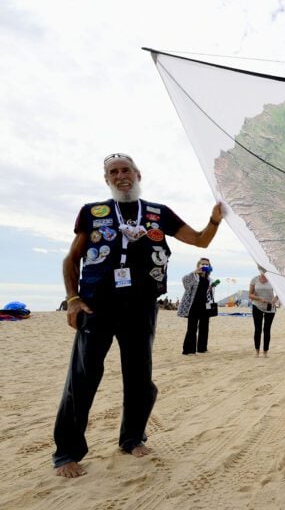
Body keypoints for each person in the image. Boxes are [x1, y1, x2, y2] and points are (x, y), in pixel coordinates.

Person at [54, 153, 223, 478]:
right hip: (97, 306)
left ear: (137, 174)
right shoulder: (93, 212)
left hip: (141, 306)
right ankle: (67, 452)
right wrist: (73, 299)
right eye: (113, 172)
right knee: (83, 378)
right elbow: (71, 259)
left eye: (126, 170)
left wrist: (214, 220)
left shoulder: (159, 214)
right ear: (107, 179)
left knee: (139, 378)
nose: (121, 176)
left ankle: (132, 438)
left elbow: (199, 239)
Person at [178, 258, 217, 354]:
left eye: (207, 264)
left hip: (205, 306)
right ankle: (188, 350)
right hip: (194, 306)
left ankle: (202, 348)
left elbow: (209, 293)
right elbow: (184, 281)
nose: (205, 265)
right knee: (192, 328)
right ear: (198, 265)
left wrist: (212, 287)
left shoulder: (209, 279)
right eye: (202, 264)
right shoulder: (194, 276)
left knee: (204, 328)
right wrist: (194, 272)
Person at [249, 270, 278, 357]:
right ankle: (257, 351)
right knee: (258, 329)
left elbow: (280, 293)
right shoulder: (254, 279)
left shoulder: (273, 279)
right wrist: (259, 298)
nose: (262, 270)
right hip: (257, 306)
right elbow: (250, 295)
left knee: (267, 329)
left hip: (270, 307)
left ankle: (265, 351)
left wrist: (275, 298)